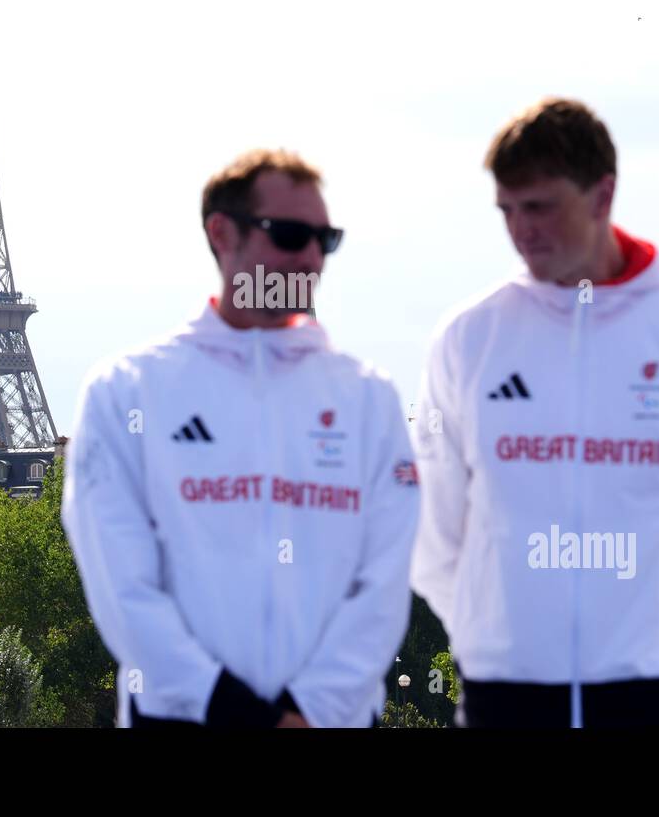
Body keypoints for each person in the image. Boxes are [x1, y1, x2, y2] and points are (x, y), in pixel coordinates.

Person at [411, 97, 659, 727]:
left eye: (540, 206)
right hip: (507, 695)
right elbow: (435, 528)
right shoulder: (468, 338)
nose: (521, 229)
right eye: (507, 210)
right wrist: (493, 640)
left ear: (603, 196)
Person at [62, 149, 421, 728]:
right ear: (221, 234)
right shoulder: (125, 391)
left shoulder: (370, 398)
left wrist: (310, 710)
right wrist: (233, 710)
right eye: (289, 235)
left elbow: (384, 585)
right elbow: (121, 587)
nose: (309, 257)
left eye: (324, 240)